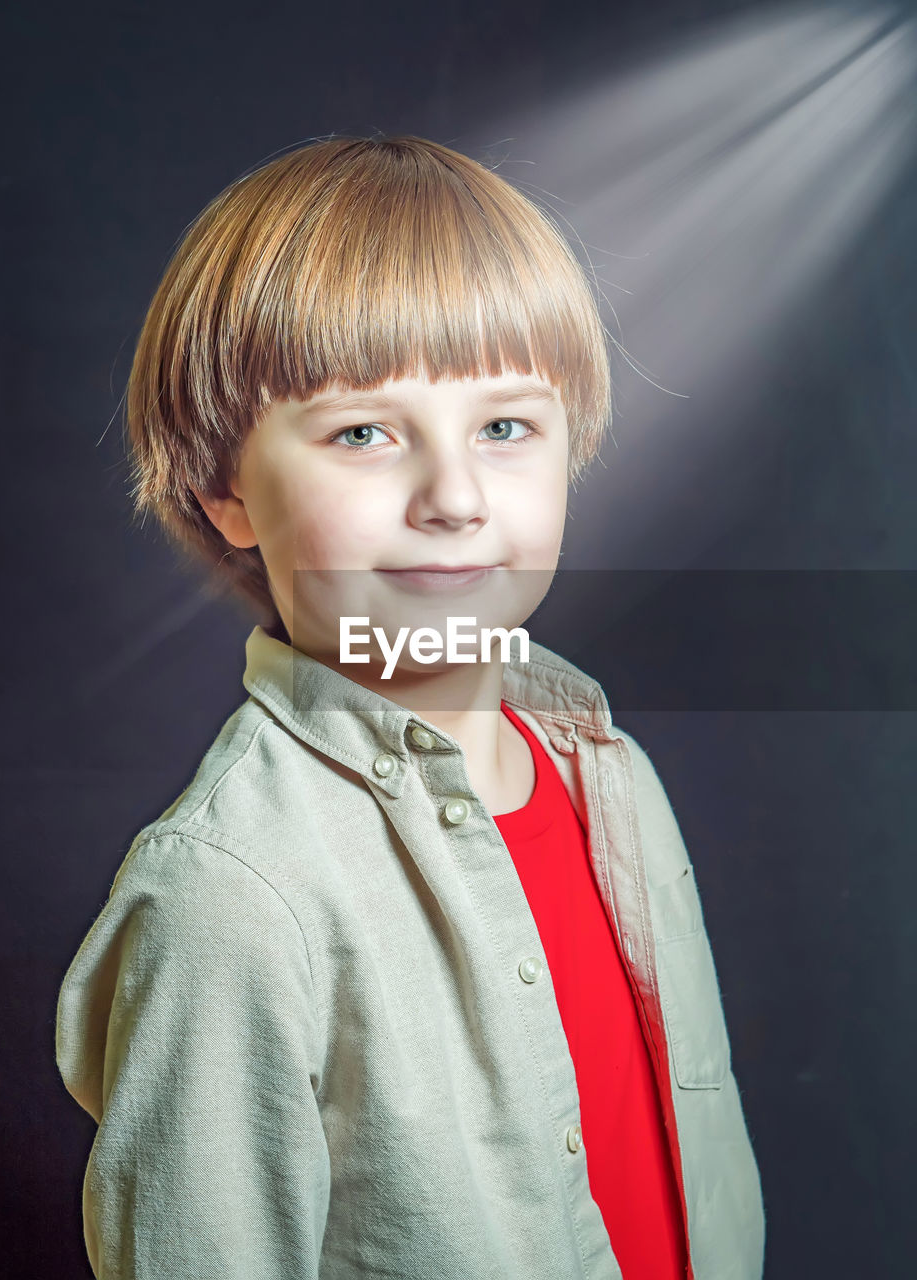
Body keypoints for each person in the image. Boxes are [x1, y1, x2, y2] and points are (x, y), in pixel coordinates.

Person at [55, 134, 764, 1279]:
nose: (454, 497)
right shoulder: (230, 895)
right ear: (226, 489)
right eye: (364, 433)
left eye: (504, 426)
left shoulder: (611, 773)